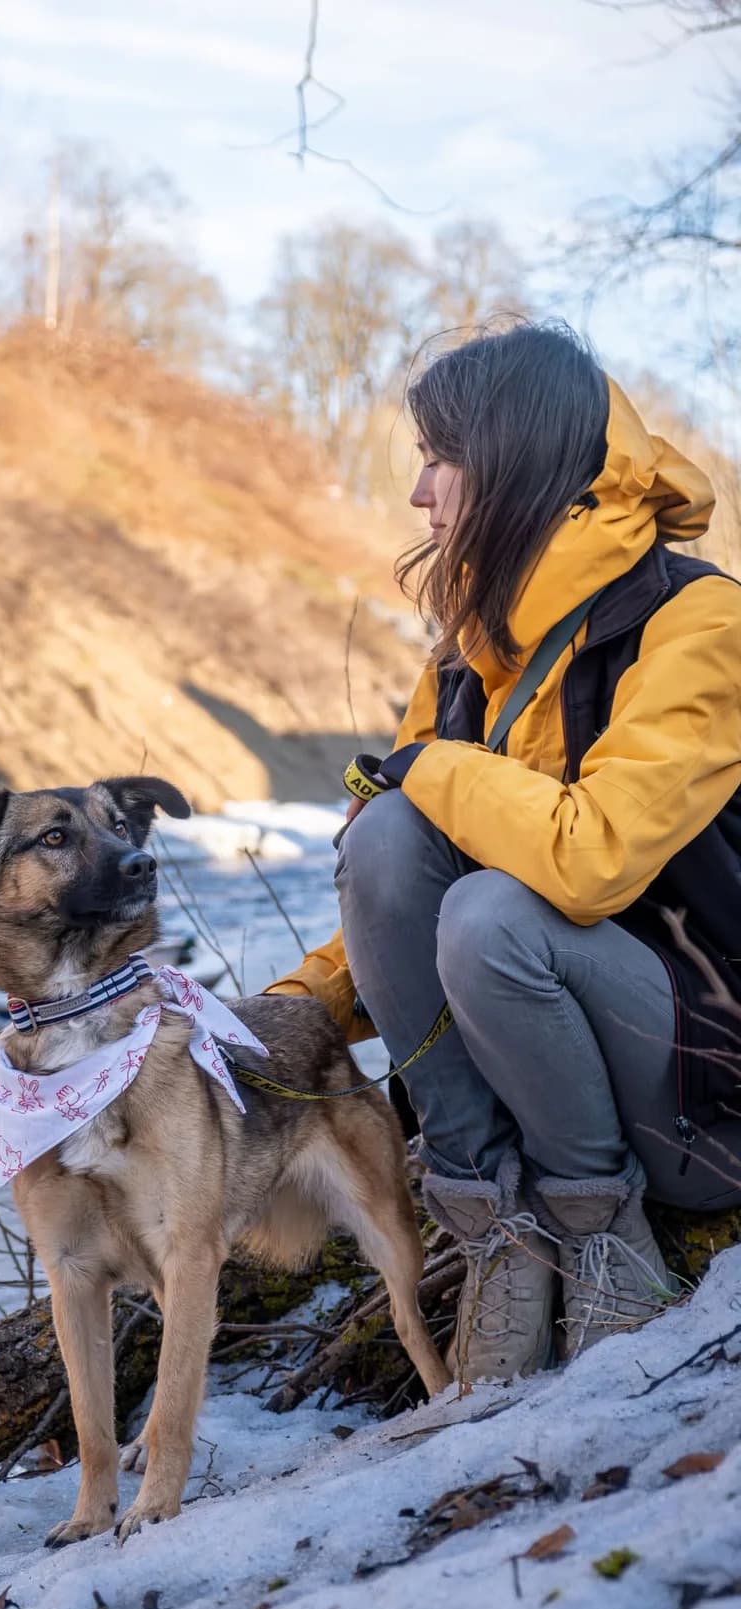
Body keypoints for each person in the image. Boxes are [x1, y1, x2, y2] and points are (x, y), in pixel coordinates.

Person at [269, 320, 741, 1383]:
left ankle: (604, 1241)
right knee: (389, 837)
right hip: (544, 1064)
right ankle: (498, 1234)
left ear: (517, 463)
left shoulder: (694, 621)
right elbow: (394, 882)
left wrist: (429, 768)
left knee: (491, 914)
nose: (419, 493)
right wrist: (298, 1012)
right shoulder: (470, 659)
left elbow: (591, 859)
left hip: (702, 1097)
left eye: (441, 459)